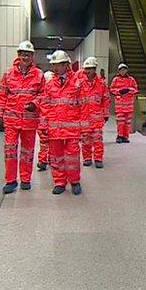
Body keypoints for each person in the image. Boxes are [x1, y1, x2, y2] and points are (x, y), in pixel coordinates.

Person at [0, 40, 44, 193]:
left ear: (32, 56)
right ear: (18, 55)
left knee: (27, 152)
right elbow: (1, 94)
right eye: (23, 54)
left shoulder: (39, 74)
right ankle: (10, 180)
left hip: (30, 120)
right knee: (10, 151)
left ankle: (25, 179)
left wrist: (35, 104)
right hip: (11, 120)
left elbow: (43, 94)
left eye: (28, 55)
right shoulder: (8, 73)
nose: (25, 57)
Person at [38, 50, 86, 195]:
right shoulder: (49, 84)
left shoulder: (77, 83)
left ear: (66, 65)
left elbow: (83, 106)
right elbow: (45, 106)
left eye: (58, 65)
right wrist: (43, 125)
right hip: (54, 128)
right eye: (53, 65)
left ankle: (75, 181)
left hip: (72, 128)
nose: (55, 68)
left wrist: (84, 128)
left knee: (72, 157)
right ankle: (59, 182)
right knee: (56, 157)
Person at [78, 56, 110, 168]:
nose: (87, 71)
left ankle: (98, 158)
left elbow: (106, 99)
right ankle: (87, 158)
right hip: (84, 117)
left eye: (89, 68)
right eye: (86, 69)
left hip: (97, 117)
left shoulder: (101, 84)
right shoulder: (80, 84)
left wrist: (106, 113)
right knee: (85, 139)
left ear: (94, 69)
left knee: (97, 140)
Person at [110, 62, 139, 143]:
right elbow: (112, 89)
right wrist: (119, 91)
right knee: (120, 122)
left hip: (129, 105)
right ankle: (119, 135)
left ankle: (125, 136)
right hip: (119, 105)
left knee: (127, 122)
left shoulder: (131, 79)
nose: (122, 71)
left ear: (126, 70)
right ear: (119, 71)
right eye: (121, 70)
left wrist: (129, 90)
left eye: (124, 69)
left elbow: (136, 89)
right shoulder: (115, 79)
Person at [37, 65, 54, 172]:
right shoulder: (43, 94)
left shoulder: (55, 92)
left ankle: (47, 160)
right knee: (45, 142)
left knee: (50, 142)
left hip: (52, 122)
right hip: (43, 122)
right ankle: (44, 160)